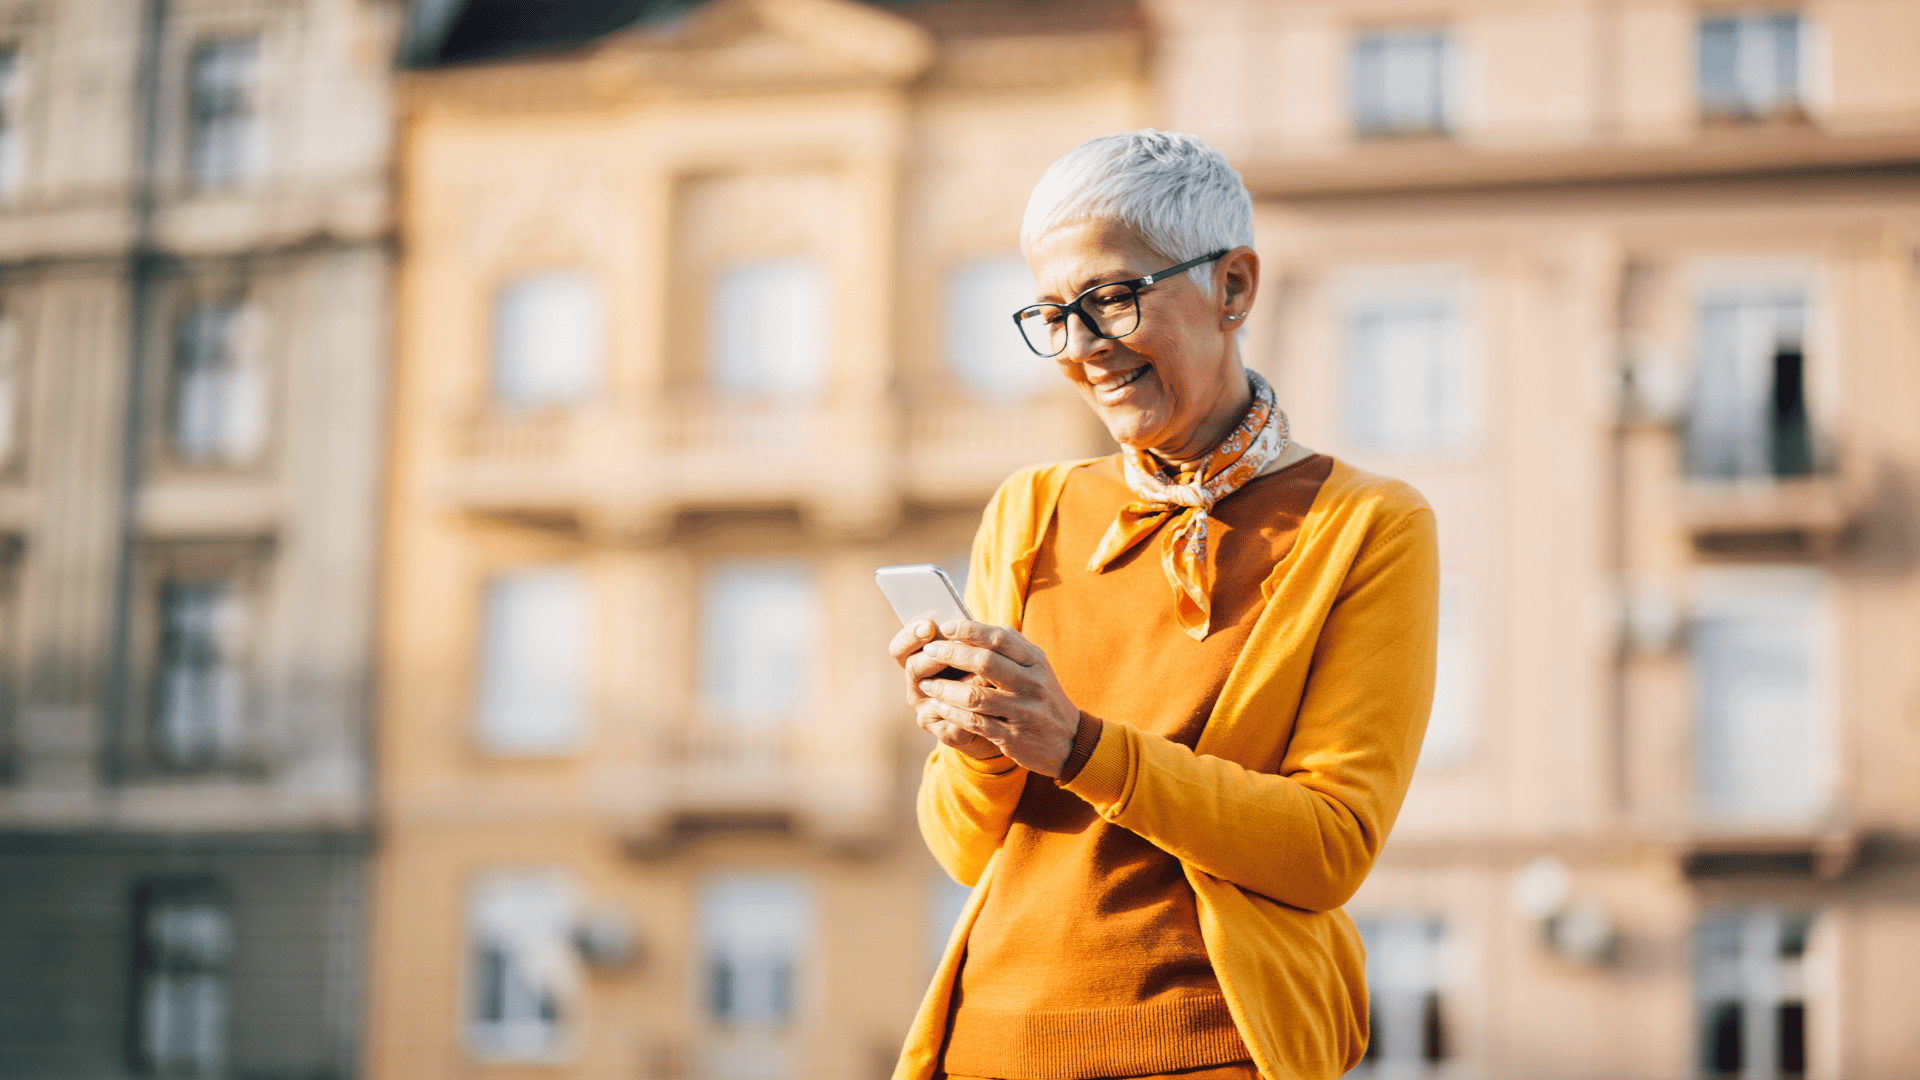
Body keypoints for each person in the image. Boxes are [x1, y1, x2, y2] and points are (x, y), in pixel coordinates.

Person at [887, 130, 1440, 1080]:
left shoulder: (1367, 524)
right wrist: (976, 747)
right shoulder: (1032, 507)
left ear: (1233, 289)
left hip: (1209, 1051)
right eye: (1054, 315)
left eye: (1110, 299)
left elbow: (1329, 845)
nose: (1082, 348)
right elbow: (965, 849)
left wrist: (1080, 749)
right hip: (984, 1048)